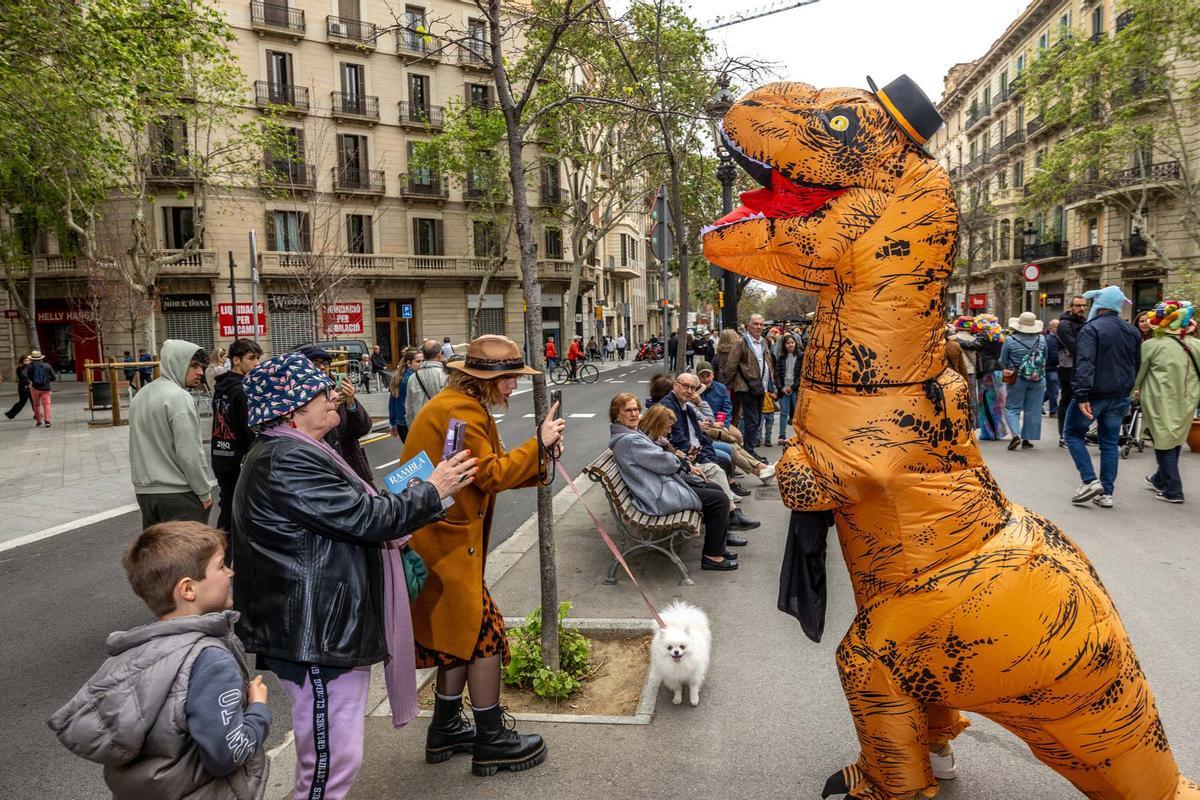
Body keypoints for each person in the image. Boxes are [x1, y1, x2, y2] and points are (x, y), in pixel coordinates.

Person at [234, 352, 476, 800]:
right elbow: (366, 518)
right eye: (320, 392)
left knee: (334, 757)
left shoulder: (299, 450)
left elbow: (356, 514)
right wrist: (433, 489)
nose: (333, 398)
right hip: (317, 632)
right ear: (291, 410)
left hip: (323, 624)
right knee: (330, 763)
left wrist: (422, 491)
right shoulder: (286, 459)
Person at [402, 335, 564, 777]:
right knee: (484, 633)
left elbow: (483, 471)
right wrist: (539, 442)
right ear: (484, 378)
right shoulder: (462, 409)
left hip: (441, 539)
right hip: (444, 543)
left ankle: (447, 726)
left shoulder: (456, 403)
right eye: (509, 378)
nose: (513, 386)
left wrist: (540, 454)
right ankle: (490, 739)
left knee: (461, 636)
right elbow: (490, 474)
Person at [49, 521, 271, 799]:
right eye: (221, 566)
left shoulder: (138, 651)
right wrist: (258, 709)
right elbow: (227, 754)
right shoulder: (211, 660)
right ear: (188, 589)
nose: (230, 572)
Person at [609, 398, 736, 572]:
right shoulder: (630, 440)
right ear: (617, 415)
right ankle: (712, 557)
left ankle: (717, 548)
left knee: (714, 489)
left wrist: (680, 461)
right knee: (719, 500)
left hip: (660, 487)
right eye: (628, 410)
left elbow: (661, 458)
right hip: (657, 496)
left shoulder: (631, 435)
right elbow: (665, 462)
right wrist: (681, 462)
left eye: (636, 409)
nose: (634, 414)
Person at [1064, 286, 1142, 508]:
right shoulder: (1131, 331)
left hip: (1094, 394)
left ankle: (1090, 480)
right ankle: (1106, 493)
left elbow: (1085, 363)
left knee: (1072, 434)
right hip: (1119, 395)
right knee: (1109, 443)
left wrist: (1081, 395)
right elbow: (1136, 364)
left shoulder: (1092, 329)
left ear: (1100, 304)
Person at [658, 372, 759, 531]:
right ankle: (731, 516)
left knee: (721, 460)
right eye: (685, 386)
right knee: (718, 471)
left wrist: (708, 457)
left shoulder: (687, 407)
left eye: (692, 388)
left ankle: (730, 518)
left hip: (695, 455)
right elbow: (678, 440)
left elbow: (702, 437)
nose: (689, 390)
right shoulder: (669, 406)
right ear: (675, 385)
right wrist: (700, 458)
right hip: (684, 462)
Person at [129, 340, 214, 527]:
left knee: (159, 553)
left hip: (146, 492)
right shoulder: (179, 397)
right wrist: (203, 492)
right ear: (176, 363)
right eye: (193, 365)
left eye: (201, 366)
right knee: (189, 554)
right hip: (179, 492)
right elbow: (190, 452)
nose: (200, 371)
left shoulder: (141, 394)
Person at [1135, 301, 1200, 504]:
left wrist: (1130, 393)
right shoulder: (1197, 345)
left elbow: (1139, 374)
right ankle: (1159, 479)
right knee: (1175, 437)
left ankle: (1174, 489)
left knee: (1163, 441)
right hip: (1189, 398)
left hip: (1159, 398)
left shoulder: (1151, 345)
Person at [298, 345, 376, 488]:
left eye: (325, 363)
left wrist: (351, 403)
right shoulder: (300, 402)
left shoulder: (338, 392)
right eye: (316, 364)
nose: (322, 367)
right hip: (326, 476)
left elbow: (363, 429)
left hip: (355, 472)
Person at [210, 338, 262, 539]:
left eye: (258, 358)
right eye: (251, 358)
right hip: (238, 460)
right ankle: (223, 559)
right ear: (236, 360)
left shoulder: (222, 387)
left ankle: (222, 558)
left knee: (228, 509)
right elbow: (247, 429)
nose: (256, 363)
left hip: (220, 454)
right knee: (239, 514)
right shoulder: (241, 390)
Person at [693, 363, 775, 483]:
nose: (706, 379)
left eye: (708, 375)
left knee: (737, 435)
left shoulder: (720, 388)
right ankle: (759, 469)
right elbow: (703, 417)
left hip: (720, 422)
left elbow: (727, 408)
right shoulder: (696, 393)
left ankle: (740, 467)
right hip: (707, 425)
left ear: (713, 375)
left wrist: (724, 425)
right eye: (702, 376)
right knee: (730, 441)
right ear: (698, 377)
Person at [721, 313, 775, 457]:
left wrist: (771, 384)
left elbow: (768, 363)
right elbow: (731, 365)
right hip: (745, 387)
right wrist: (728, 385)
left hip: (760, 387)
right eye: (755, 324)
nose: (758, 327)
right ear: (748, 326)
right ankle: (749, 452)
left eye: (761, 324)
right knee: (752, 421)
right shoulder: (741, 342)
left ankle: (748, 448)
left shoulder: (764, 342)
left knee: (756, 420)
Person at [999, 312, 1048, 450]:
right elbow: (1046, 358)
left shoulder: (1010, 340)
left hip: (1017, 378)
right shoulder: (1042, 340)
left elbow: (1003, 360)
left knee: (1012, 407)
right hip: (1038, 378)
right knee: (1033, 409)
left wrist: (1007, 368)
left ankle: (1016, 435)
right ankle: (1027, 439)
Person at [1056, 295, 1089, 444]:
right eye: (1078, 305)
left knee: (1080, 400)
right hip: (1068, 368)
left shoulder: (1084, 321)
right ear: (1071, 307)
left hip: (1080, 366)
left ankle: (1078, 433)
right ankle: (1064, 435)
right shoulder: (1064, 324)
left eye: (1084, 305)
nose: (1081, 308)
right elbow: (1075, 347)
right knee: (1068, 400)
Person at [407, 339, 449, 426]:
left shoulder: (413, 378)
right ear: (439, 354)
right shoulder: (445, 376)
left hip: (420, 426)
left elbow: (409, 408)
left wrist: (411, 428)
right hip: (440, 426)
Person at [774, 333, 802, 445]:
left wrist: (793, 386)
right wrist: (781, 388)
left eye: (792, 342)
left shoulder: (801, 356)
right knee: (784, 412)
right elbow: (777, 374)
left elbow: (801, 374)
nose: (790, 345)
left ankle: (799, 435)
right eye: (788, 343)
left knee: (797, 414)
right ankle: (782, 435)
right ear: (784, 345)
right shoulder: (781, 358)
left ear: (795, 343)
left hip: (796, 389)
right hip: (784, 389)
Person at [390, 347, 421, 441]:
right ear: (409, 363)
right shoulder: (412, 378)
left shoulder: (399, 376)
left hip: (400, 422)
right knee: (419, 454)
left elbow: (392, 402)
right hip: (410, 421)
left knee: (412, 453)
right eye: (418, 361)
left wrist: (393, 423)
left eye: (423, 361)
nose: (421, 364)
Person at [26, 349, 56, 427]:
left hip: (34, 388)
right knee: (47, 404)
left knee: (36, 405)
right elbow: (54, 377)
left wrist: (30, 381)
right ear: (41, 358)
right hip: (46, 388)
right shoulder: (47, 365)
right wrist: (47, 380)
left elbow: (23, 374)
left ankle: (39, 421)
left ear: (32, 358)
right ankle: (47, 421)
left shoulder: (30, 366)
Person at [5, 353, 32, 420]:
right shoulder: (19, 368)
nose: (27, 362)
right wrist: (27, 367)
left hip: (31, 386)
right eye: (25, 360)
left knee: (34, 401)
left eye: (28, 360)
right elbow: (23, 376)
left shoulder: (30, 367)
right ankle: (10, 414)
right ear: (22, 361)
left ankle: (37, 414)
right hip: (23, 387)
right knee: (22, 401)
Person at [1044, 319, 1061, 416]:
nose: (1058, 329)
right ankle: (1053, 411)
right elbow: (1054, 355)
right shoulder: (1051, 339)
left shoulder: (1056, 338)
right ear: (1051, 328)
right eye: (1056, 327)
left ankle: (1039, 403)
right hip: (1051, 368)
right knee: (1054, 391)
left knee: (1051, 390)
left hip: (1053, 368)